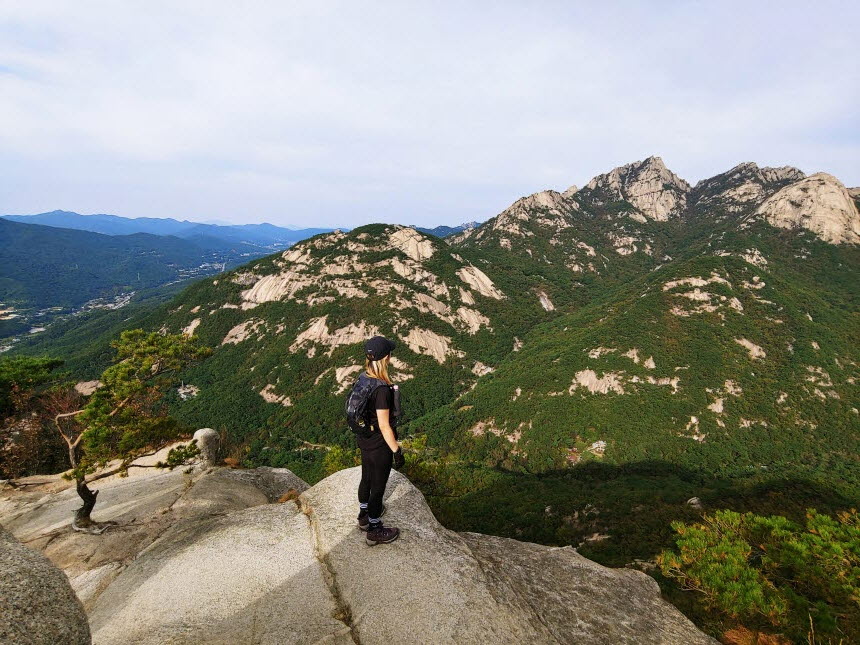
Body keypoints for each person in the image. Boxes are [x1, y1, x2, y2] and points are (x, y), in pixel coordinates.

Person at [352, 335, 405, 546]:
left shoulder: (363, 377)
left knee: (366, 477)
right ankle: (374, 528)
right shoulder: (381, 389)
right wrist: (396, 450)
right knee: (378, 486)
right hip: (379, 443)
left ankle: (363, 516)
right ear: (387, 358)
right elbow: (384, 425)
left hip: (365, 438)